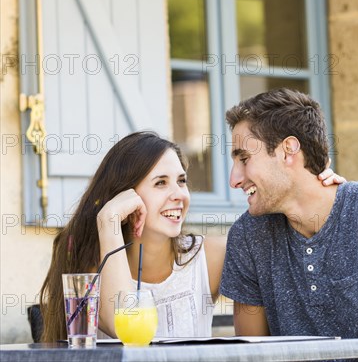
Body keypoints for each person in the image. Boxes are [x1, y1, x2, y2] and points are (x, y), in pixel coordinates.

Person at [39, 130, 342, 341]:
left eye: (181, 181)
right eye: (160, 183)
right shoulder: (90, 263)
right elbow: (124, 328)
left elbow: (295, 249)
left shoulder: (209, 257)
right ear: (125, 195)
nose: (178, 195)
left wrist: (317, 194)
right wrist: (107, 221)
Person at [220, 88, 358, 361]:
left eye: (244, 159)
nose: (234, 179)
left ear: (288, 150)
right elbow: (254, 356)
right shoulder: (248, 235)